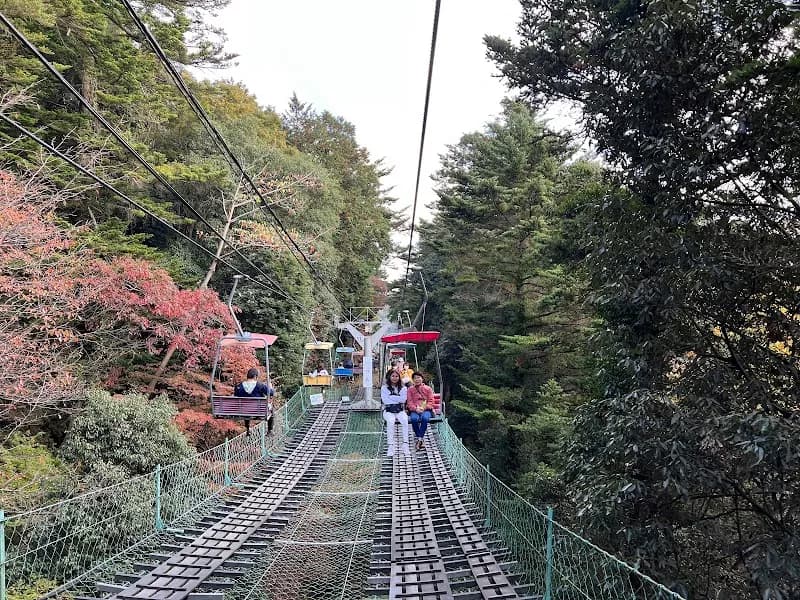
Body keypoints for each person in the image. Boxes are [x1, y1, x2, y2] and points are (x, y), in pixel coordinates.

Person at [234, 367, 275, 435]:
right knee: (271, 409)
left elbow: (236, 395)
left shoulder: (239, 386)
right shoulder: (260, 385)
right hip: (258, 410)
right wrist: (270, 387)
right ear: (255, 376)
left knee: (246, 407)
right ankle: (270, 430)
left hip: (243, 410)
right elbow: (271, 393)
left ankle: (247, 429)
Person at [381, 369, 410, 457]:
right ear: (389, 377)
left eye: (396, 376)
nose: (394, 378)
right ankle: (391, 446)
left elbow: (403, 399)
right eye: (393, 376)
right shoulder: (384, 388)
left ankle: (405, 444)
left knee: (405, 420)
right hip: (388, 410)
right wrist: (397, 397)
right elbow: (386, 401)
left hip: (399, 410)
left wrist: (391, 396)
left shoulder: (403, 388)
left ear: (399, 377)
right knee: (391, 421)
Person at [406, 371, 434, 451]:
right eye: (415, 378)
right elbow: (409, 402)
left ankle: (419, 439)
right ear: (413, 380)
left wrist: (424, 408)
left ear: (422, 379)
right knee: (414, 419)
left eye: (418, 378)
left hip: (426, 410)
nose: (417, 380)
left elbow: (431, 401)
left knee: (425, 418)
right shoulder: (410, 390)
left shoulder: (428, 389)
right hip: (415, 410)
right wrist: (415, 409)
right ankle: (420, 439)